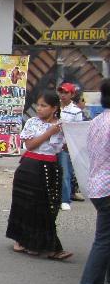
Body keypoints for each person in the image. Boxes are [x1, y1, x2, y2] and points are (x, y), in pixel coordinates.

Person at [6, 91, 72, 260]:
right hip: (30, 168)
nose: (40, 109)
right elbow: (30, 145)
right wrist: (49, 133)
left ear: (54, 108)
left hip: (51, 167)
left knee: (47, 207)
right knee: (25, 205)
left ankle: (42, 244)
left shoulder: (62, 125)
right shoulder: (32, 123)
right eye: (39, 105)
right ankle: (23, 240)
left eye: (44, 106)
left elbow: (65, 147)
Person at [78, 79, 110, 284]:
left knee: (103, 239)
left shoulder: (99, 121)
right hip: (107, 188)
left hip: (98, 186)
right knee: (104, 240)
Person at [57, 82, 83, 211]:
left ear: (72, 94)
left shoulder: (76, 111)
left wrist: (70, 145)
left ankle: (65, 200)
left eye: (66, 92)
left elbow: (77, 131)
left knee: (65, 173)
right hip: (50, 144)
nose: (62, 95)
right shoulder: (54, 107)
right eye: (61, 92)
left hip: (64, 146)